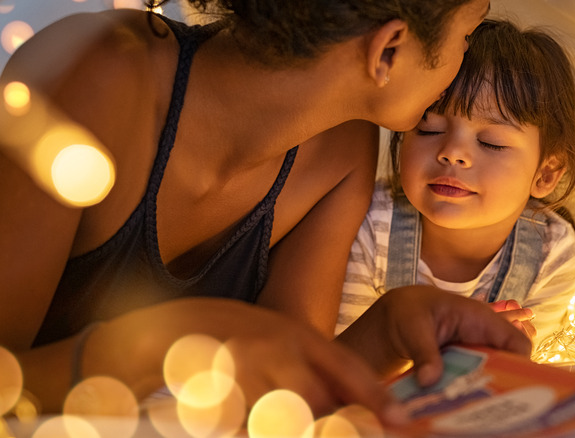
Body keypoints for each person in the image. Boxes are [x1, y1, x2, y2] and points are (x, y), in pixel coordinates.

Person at [0, 0, 534, 422]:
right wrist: (170, 338)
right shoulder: (100, 71)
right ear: (389, 48)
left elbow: (283, 393)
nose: (465, 55)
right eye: (466, 35)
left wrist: (391, 328)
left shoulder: (343, 152)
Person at [337, 19, 575, 347]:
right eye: (430, 129)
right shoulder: (368, 225)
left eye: (491, 142)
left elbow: (523, 374)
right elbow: (342, 361)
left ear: (546, 174)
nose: (453, 153)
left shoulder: (554, 256)